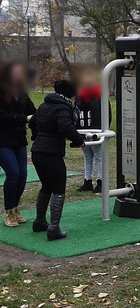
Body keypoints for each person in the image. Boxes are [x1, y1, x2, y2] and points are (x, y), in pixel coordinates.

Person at [30, 80, 85, 241]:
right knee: (58, 188)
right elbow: (65, 126)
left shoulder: (45, 105)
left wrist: (37, 136)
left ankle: (40, 221)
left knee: (46, 186)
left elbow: (33, 122)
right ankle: (54, 228)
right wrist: (78, 140)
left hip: (37, 151)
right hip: (51, 153)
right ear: (71, 94)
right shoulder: (63, 107)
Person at [0, 61, 36, 228]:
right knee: (13, 173)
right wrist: (24, 119)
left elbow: (32, 110)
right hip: (2, 140)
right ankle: (7, 211)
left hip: (18, 139)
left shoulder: (21, 92)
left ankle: (15, 208)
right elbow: (3, 115)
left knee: (22, 175)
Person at [76, 70, 109, 192]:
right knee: (88, 157)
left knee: (99, 156)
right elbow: (75, 111)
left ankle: (100, 181)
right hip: (83, 130)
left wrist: (103, 129)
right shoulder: (80, 95)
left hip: (96, 131)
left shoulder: (99, 95)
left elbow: (107, 112)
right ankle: (87, 181)